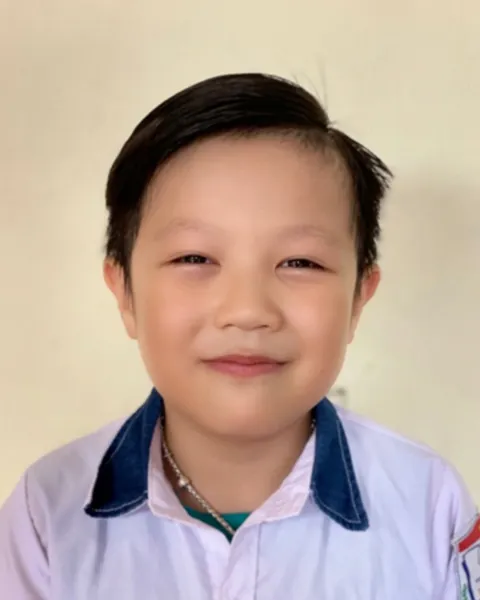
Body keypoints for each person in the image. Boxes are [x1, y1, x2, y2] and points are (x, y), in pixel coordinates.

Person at [0, 73, 477, 600]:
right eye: (194, 258)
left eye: (300, 262)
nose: (247, 311)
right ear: (126, 294)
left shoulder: (429, 504)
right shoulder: (48, 512)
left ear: (358, 299)